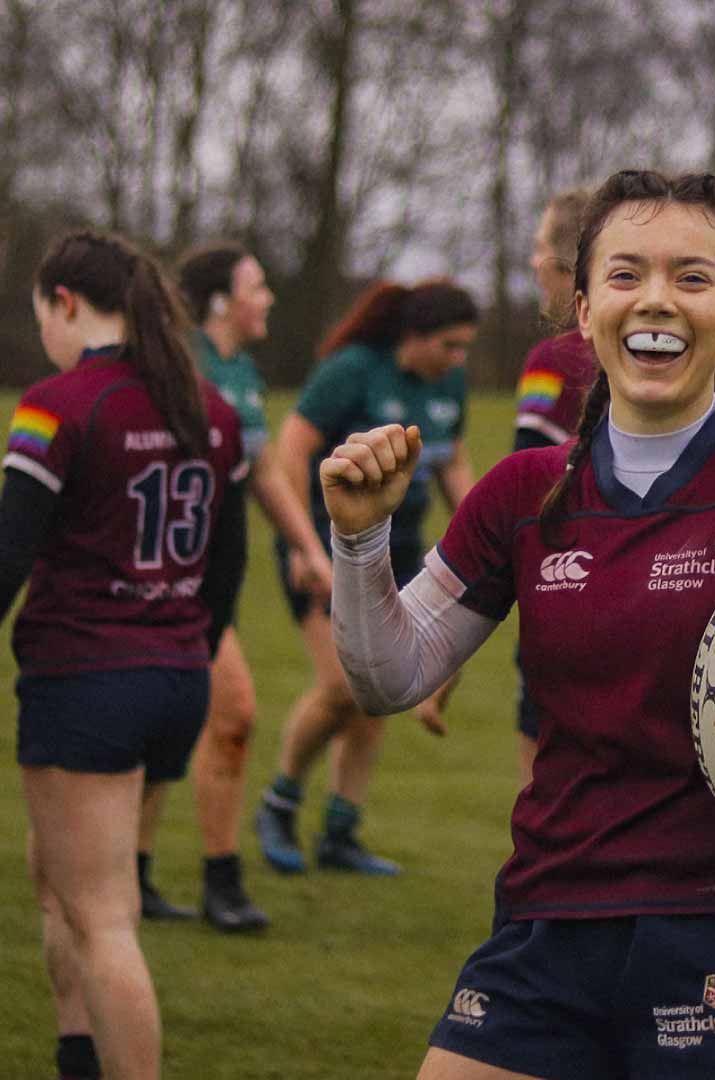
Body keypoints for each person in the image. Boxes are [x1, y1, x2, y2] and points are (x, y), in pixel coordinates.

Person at [320, 169, 715, 1078]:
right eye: (626, 275)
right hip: (548, 924)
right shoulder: (521, 493)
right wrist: (360, 541)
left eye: (693, 277)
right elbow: (388, 677)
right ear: (583, 307)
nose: (656, 300)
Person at [0, 230, 249, 1080]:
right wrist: (190, 651)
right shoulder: (207, 405)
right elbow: (231, 558)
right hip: (175, 680)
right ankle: (77, 1059)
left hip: (88, 679)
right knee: (55, 873)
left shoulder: (59, 402)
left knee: (103, 916)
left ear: (63, 302)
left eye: (40, 315)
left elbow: (4, 556)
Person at [123, 243, 331, 932]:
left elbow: (264, 471)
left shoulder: (239, 372)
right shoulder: (178, 363)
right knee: (232, 712)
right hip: (162, 581)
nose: (268, 296)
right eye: (257, 285)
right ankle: (220, 882)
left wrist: (308, 548)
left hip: (211, 580)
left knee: (178, 726)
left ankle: (138, 875)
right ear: (219, 301)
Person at [253, 278, 478, 877]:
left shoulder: (448, 383)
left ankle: (340, 831)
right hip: (328, 546)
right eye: (449, 346)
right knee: (339, 687)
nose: (458, 361)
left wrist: (486, 530)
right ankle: (279, 802)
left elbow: (452, 461)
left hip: (401, 548)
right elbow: (293, 448)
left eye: (465, 349)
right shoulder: (353, 369)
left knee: (382, 688)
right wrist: (304, 544)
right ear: (415, 336)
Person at [507, 186, 597, 782]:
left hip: (566, 588)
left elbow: (529, 484)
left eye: (540, 248)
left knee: (545, 768)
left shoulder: (554, 360)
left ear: (566, 266)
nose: (534, 263)